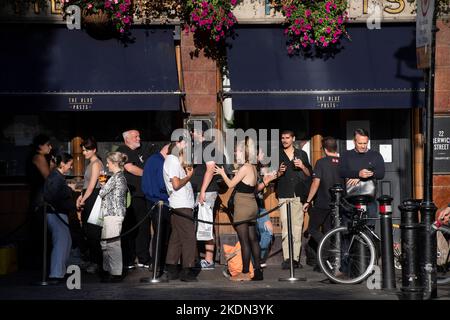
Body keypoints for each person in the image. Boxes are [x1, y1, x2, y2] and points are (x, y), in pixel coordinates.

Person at [215, 137, 263, 281]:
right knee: (253, 239)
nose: (236, 153)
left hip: (242, 206)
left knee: (244, 241)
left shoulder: (245, 168)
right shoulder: (253, 167)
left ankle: (244, 273)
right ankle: (258, 271)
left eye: (238, 151)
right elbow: (248, 184)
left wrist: (222, 172)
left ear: (245, 152)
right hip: (252, 205)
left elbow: (230, 184)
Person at [303, 136, 344, 271]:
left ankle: (324, 250)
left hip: (322, 202)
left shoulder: (321, 163)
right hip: (338, 203)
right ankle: (325, 263)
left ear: (325, 149)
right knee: (328, 230)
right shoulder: (342, 162)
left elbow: (316, 183)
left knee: (313, 229)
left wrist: (308, 201)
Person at [274, 130, 312, 269]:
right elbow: (272, 176)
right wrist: (279, 172)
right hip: (283, 194)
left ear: (293, 138)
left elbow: (309, 174)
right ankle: (287, 259)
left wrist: (302, 166)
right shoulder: (277, 154)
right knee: (285, 227)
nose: (284, 140)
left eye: (287, 138)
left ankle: (295, 259)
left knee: (297, 227)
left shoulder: (302, 154)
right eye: (283, 138)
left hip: (298, 194)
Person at [163, 139, 197, 282]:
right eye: (183, 144)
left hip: (181, 204)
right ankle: (187, 271)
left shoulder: (176, 161)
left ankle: (171, 269)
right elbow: (176, 184)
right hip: (181, 205)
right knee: (189, 237)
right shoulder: (172, 160)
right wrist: (189, 176)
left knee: (176, 238)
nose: (186, 147)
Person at [117, 129, 151, 269]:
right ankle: (129, 259)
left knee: (143, 227)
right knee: (131, 227)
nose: (139, 138)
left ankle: (142, 258)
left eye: (139, 135)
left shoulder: (139, 152)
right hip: (132, 195)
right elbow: (130, 168)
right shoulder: (123, 150)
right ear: (127, 139)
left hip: (142, 194)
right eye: (135, 136)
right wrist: (149, 175)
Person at [190, 121, 220, 270]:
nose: (191, 134)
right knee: (199, 225)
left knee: (205, 225)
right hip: (200, 191)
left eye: (193, 132)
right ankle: (198, 259)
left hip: (206, 192)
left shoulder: (208, 146)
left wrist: (202, 191)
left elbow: (210, 169)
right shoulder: (200, 147)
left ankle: (209, 260)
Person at [339, 128, 385, 223]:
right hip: (350, 201)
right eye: (360, 143)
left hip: (369, 200)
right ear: (354, 141)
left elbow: (381, 174)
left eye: (365, 143)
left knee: (369, 229)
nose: (363, 146)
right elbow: (341, 172)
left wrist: (362, 176)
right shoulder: (346, 155)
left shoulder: (375, 155)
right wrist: (357, 174)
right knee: (348, 230)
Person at [43, 153, 76, 283]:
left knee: (65, 242)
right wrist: (69, 192)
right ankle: (56, 274)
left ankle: (60, 272)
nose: (71, 167)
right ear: (62, 164)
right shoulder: (57, 177)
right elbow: (53, 196)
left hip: (58, 213)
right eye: (69, 164)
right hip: (56, 213)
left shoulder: (57, 176)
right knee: (61, 243)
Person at [98, 152, 129, 283]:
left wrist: (102, 185)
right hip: (111, 214)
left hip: (113, 214)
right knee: (106, 244)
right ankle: (108, 270)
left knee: (112, 244)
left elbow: (102, 192)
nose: (106, 165)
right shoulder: (120, 177)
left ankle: (115, 273)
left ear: (114, 163)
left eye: (108, 162)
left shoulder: (116, 177)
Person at [142, 143, 171, 276]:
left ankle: (156, 263)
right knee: (161, 235)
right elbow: (162, 183)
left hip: (151, 200)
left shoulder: (152, 159)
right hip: (160, 201)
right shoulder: (160, 161)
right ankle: (158, 264)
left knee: (158, 234)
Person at [76, 137, 104, 274]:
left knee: (93, 231)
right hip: (89, 196)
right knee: (88, 230)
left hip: (94, 197)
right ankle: (93, 260)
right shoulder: (90, 163)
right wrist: (81, 196)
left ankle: (97, 262)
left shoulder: (96, 164)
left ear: (94, 150)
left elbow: (93, 185)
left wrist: (83, 198)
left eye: (87, 150)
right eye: (83, 150)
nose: (84, 153)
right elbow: (87, 185)